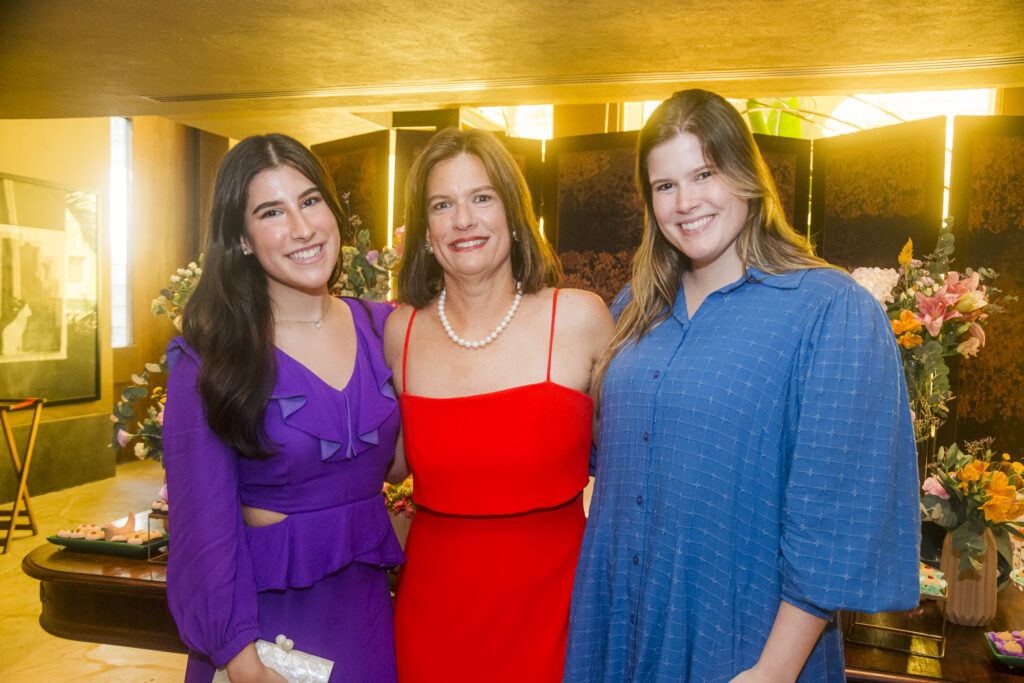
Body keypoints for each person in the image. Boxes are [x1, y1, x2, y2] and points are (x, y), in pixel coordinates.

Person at [564, 89, 920, 683]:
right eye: (665, 185)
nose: (686, 202)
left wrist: (773, 672)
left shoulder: (831, 310)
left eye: (704, 173)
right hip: (621, 627)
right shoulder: (634, 309)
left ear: (747, 175)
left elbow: (829, 525)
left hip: (743, 644)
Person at [163, 134, 403, 682]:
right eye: (272, 212)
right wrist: (243, 664)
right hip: (264, 636)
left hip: (368, 620)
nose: (301, 228)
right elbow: (203, 529)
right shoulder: (210, 358)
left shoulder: (385, 327)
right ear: (242, 239)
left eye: (310, 200)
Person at [385, 128, 614, 682]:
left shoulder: (580, 319)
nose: (463, 220)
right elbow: (380, 468)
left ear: (514, 213)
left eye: (481, 197)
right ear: (425, 231)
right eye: (443, 205)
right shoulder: (401, 331)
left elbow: (633, 468)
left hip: (557, 614)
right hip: (433, 619)